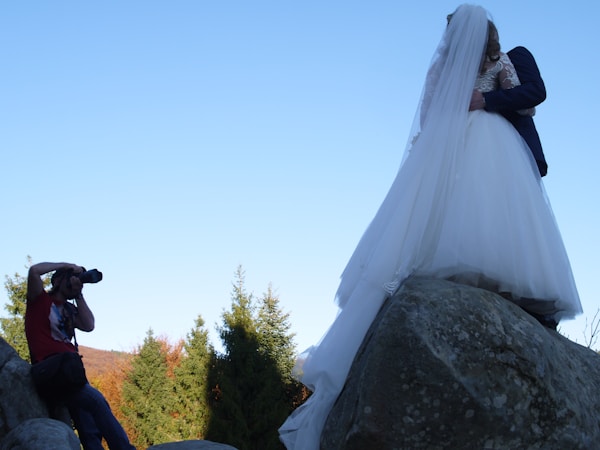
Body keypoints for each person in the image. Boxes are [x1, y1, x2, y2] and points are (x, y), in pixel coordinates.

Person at [278, 5, 582, 449]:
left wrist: (484, 101)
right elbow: (428, 117)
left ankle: (516, 294)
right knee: (455, 206)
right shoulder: (443, 70)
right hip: (457, 146)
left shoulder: (503, 61)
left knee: (494, 205)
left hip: (495, 144)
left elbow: (528, 96)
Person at [25, 261, 135, 450]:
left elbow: (88, 325)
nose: (78, 281)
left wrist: (79, 294)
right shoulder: (39, 300)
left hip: (70, 374)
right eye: (72, 278)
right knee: (97, 402)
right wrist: (68, 265)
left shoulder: (68, 309)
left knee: (87, 421)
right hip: (50, 370)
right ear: (58, 280)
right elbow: (34, 271)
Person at [470, 45, 548, 177]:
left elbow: (535, 91)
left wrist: (486, 99)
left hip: (514, 146)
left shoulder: (515, 56)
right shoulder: (454, 67)